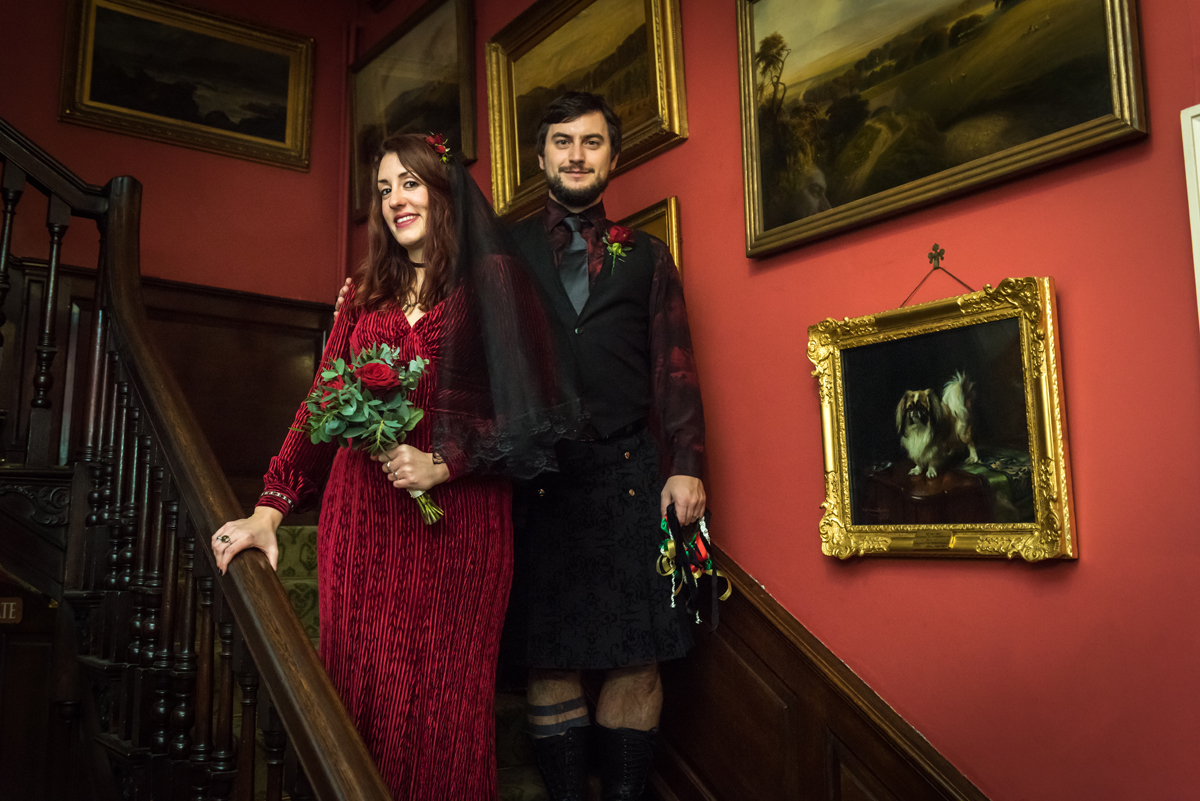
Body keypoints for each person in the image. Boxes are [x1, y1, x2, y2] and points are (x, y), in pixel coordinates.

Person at [211, 132, 580, 800]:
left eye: (409, 183)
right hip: (360, 525)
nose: (394, 200)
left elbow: (537, 414)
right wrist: (270, 507)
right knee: (357, 703)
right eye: (383, 189)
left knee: (443, 713)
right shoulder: (363, 293)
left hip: (457, 532)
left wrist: (447, 461)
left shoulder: (493, 280)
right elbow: (321, 405)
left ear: (444, 189)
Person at [508, 92, 706, 801]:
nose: (576, 155)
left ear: (614, 159)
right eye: (563, 142)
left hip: (629, 472)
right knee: (550, 658)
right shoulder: (505, 253)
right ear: (541, 157)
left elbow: (675, 365)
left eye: (592, 143)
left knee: (637, 655)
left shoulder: (647, 254)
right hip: (536, 480)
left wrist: (686, 466)